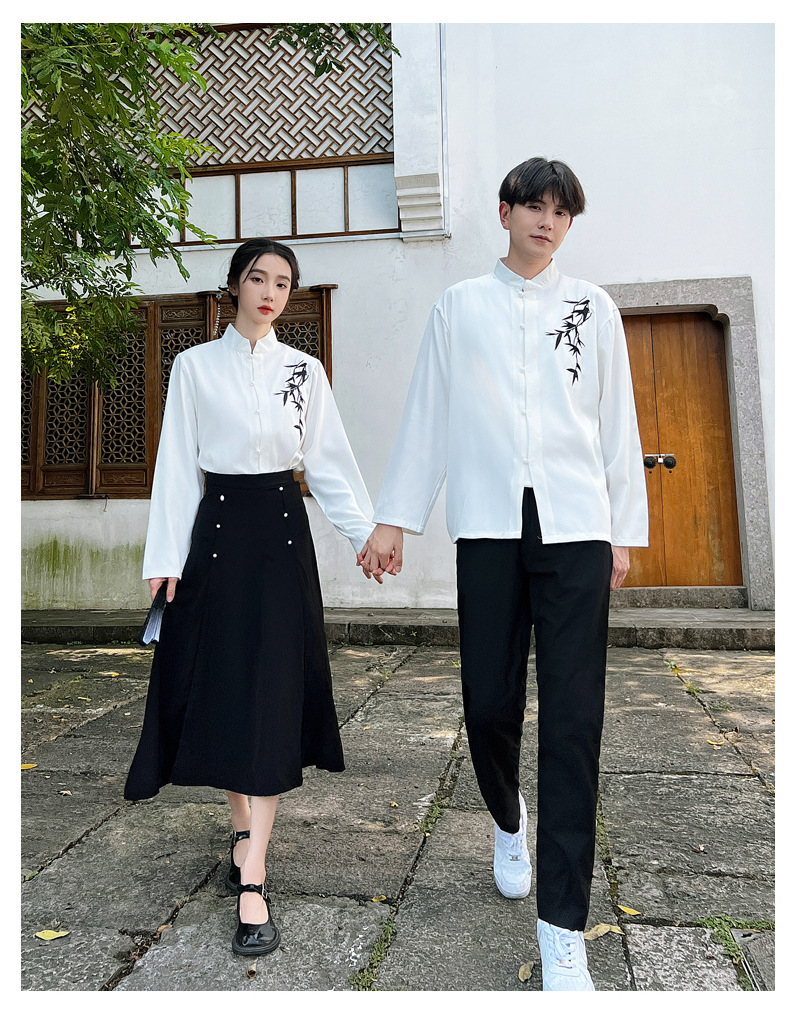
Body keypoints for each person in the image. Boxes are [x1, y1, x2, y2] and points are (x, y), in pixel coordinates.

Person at [359, 158, 648, 991]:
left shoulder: (593, 308)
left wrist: (621, 530)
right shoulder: (459, 307)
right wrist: (394, 516)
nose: (547, 222)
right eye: (534, 206)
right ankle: (506, 815)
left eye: (562, 212)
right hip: (487, 524)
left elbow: (617, 422)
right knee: (487, 703)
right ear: (505, 212)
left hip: (576, 528)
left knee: (573, 721)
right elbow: (428, 414)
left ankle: (563, 929)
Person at [125, 238, 381, 958]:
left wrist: (366, 535)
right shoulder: (194, 367)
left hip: (280, 534)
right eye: (258, 278)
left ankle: (255, 873)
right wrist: (164, 559)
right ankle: (242, 829)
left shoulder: (304, 370)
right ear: (235, 284)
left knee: (270, 691)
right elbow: (177, 466)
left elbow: (329, 463)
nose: (270, 292)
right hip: (214, 536)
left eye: (283, 283)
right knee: (228, 687)